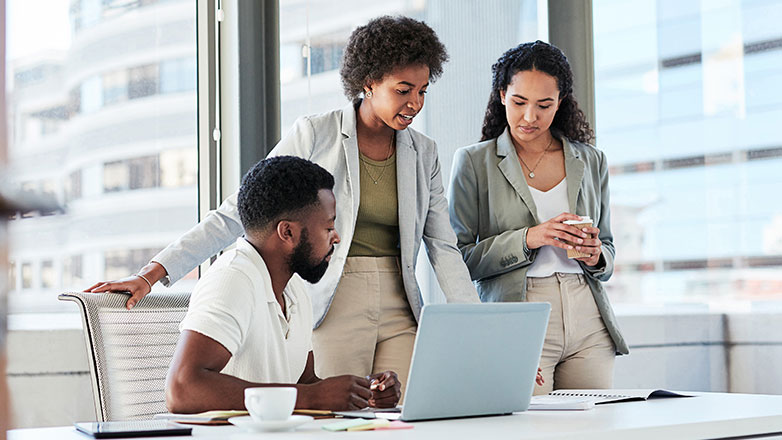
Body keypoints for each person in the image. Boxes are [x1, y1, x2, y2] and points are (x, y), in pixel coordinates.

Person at [87, 16, 479, 394]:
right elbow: (244, 208)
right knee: (336, 417)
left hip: (401, 304)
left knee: (400, 417)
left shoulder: (423, 152)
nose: (415, 103)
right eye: (403, 89)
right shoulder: (316, 133)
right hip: (331, 298)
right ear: (370, 82)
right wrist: (153, 273)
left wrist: (477, 327)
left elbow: (442, 246)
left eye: (423, 91)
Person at [448, 41, 629, 395]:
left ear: (560, 102)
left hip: (588, 316)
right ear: (502, 95)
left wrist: (596, 255)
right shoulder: (473, 162)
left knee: (592, 429)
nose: (530, 117)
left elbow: (607, 249)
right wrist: (531, 237)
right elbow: (458, 260)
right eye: (519, 102)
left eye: (544, 105)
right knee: (528, 427)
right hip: (520, 313)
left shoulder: (591, 160)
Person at [166, 156, 401, 413]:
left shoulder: (294, 288)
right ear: (287, 232)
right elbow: (181, 389)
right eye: (328, 226)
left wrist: (363, 394)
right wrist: (312, 397)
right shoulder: (232, 279)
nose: (336, 237)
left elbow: (305, 384)